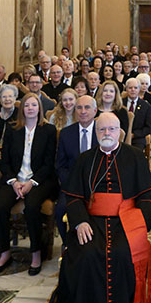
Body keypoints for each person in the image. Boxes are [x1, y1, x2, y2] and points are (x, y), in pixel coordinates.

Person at [50, 113, 151, 303]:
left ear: (120, 132)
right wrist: (79, 221)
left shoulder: (135, 156)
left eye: (111, 129)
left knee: (120, 253)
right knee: (87, 253)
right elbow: (74, 197)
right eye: (102, 130)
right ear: (95, 133)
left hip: (127, 221)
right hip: (91, 221)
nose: (107, 133)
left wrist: (139, 226)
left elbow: (147, 198)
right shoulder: (85, 159)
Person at [0, 93, 58, 275]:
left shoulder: (49, 130)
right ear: (22, 109)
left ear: (39, 108)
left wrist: (31, 182)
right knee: (0, 206)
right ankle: (5, 252)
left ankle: (36, 252)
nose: (30, 108)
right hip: (15, 180)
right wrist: (14, 182)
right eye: (26, 105)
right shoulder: (13, 129)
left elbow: (49, 164)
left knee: (32, 206)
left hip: (40, 180)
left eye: (33, 105)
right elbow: (4, 162)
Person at [55, 95, 98, 239]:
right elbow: (60, 165)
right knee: (60, 210)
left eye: (87, 107)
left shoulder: (102, 132)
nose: (83, 111)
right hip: (71, 186)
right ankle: (67, 244)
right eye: (79, 107)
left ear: (95, 111)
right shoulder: (66, 134)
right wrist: (72, 184)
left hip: (98, 185)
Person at [124, 77, 151, 152]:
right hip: (121, 137)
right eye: (130, 88)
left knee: (136, 153)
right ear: (126, 89)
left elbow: (148, 128)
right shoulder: (120, 104)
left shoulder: (146, 106)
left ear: (139, 89)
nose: (133, 90)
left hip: (138, 138)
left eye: (135, 88)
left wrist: (134, 135)